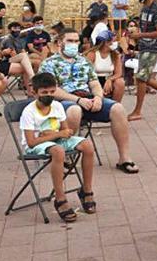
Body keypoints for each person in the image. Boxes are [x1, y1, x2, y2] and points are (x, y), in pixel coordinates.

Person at [39, 29, 138, 174]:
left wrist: (98, 97)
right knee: (74, 110)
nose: (74, 44)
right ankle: (67, 158)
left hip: (87, 97)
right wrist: (78, 100)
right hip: (64, 101)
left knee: (118, 109)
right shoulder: (49, 63)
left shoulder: (83, 61)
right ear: (60, 43)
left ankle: (124, 158)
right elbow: (51, 90)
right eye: (70, 41)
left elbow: (94, 83)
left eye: (76, 41)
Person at [21, 72, 96, 221]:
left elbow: (66, 131)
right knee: (58, 151)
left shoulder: (57, 106)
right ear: (34, 92)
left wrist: (55, 134)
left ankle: (86, 190)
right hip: (37, 145)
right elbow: (31, 142)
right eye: (44, 92)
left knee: (87, 145)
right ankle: (60, 198)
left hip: (54, 139)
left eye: (51, 92)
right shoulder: (29, 112)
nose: (48, 95)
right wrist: (55, 135)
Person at [0, 22, 36, 94]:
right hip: (7, 60)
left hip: (17, 59)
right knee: (24, 57)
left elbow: (22, 50)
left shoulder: (17, 38)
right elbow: (12, 54)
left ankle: (30, 93)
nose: (17, 30)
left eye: (18, 28)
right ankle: (33, 78)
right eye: (15, 28)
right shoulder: (8, 39)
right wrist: (24, 57)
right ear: (9, 30)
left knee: (33, 62)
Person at [85, 30, 125, 103]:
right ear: (106, 42)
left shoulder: (115, 55)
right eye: (113, 41)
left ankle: (116, 105)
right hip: (94, 79)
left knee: (120, 82)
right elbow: (87, 72)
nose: (115, 43)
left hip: (108, 79)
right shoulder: (92, 54)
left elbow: (119, 73)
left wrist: (110, 79)